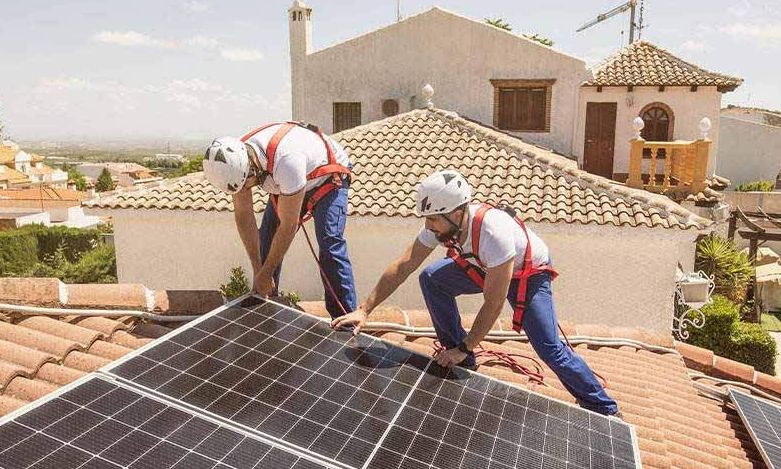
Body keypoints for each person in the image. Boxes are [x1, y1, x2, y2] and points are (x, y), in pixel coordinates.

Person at [331, 170, 617, 415]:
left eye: (433, 221)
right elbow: (404, 264)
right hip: (482, 264)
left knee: (548, 346)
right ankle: (461, 360)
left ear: (456, 213)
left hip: (527, 273)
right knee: (431, 278)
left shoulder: (494, 233)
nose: (428, 227)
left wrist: (467, 345)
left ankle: (602, 407)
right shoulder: (442, 223)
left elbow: (493, 304)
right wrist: (364, 309)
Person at [204, 122, 357, 318]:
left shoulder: (287, 162)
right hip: (290, 180)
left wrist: (266, 273)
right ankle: (266, 306)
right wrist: (258, 269)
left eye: (246, 185)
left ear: (252, 170)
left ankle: (345, 318)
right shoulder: (234, 164)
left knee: (329, 243)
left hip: (327, 178)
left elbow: (288, 226)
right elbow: (244, 216)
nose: (245, 190)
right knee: (266, 242)